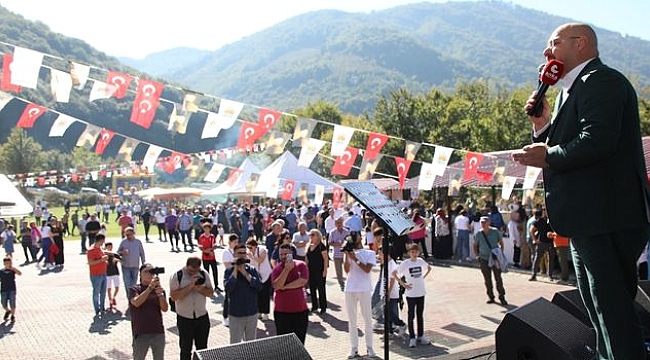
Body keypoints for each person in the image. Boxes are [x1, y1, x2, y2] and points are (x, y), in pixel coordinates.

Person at [514, 23, 650, 359]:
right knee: (597, 310)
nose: (547, 53)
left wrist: (547, 155)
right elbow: (565, 147)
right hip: (585, 219)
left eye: (554, 43)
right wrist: (542, 127)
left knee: (613, 313)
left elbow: (597, 141)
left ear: (581, 43)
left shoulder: (601, 81)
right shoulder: (566, 93)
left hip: (606, 216)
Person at [170, 256, 213, 360]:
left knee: (202, 349)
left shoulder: (203, 274)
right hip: (185, 318)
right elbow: (174, 297)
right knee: (185, 349)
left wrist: (199, 289)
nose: (193, 273)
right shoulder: (177, 275)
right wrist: (190, 286)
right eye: (190, 271)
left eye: (195, 270)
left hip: (202, 316)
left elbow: (211, 293)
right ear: (187, 265)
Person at [343, 233, 377, 358]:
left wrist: (355, 259)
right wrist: (347, 257)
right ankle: (353, 348)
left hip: (364, 289)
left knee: (367, 319)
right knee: (352, 320)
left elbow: (367, 269)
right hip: (350, 289)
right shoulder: (348, 253)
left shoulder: (369, 253)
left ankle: (369, 347)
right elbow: (346, 270)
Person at [271, 243, 310, 344]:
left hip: (300, 311)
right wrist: (286, 270)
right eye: (281, 254)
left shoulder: (301, 265)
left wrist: (286, 287)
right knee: (284, 344)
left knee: (299, 342)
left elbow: (303, 281)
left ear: (291, 254)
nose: (283, 257)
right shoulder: (277, 269)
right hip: (282, 312)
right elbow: (277, 286)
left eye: (286, 254)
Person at [224, 244, 262, 343]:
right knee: (235, 344)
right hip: (236, 314)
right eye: (239, 253)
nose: (242, 255)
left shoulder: (252, 270)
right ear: (234, 254)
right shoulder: (229, 271)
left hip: (251, 313)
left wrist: (245, 273)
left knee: (251, 344)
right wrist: (236, 270)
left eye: (244, 253)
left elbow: (259, 286)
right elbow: (228, 288)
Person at [129, 263, 168, 360]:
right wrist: (150, 288)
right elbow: (136, 302)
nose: (148, 274)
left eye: (151, 272)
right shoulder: (134, 289)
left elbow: (165, 308)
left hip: (158, 332)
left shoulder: (159, 289)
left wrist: (161, 296)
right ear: (140, 275)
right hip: (141, 332)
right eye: (145, 271)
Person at [396, 244, 432, 348]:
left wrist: (422, 278)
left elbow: (429, 268)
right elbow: (395, 273)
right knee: (411, 315)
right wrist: (403, 284)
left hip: (421, 292)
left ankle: (420, 335)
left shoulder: (420, 261)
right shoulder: (405, 263)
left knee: (420, 315)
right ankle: (412, 338)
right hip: (411, 294)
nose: (414, 254)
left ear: (419, 252)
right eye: (412, 252)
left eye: (416, 252)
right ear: (408, 253)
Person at [472, 216, 507, 306]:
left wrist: (500, 254)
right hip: (484, 258)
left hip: (494, 258)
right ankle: (491, 296)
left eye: (484, 222)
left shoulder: (495, 231)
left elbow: (501, 242)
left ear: (489, 223)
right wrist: (477, 255)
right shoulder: (479, 234)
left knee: (498, 278)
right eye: (481, 222)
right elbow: (475, 245)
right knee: (487, 279)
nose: (483, 224)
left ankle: (502, 297)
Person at [118, 227, 146, 303]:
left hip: (135, 266)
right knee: (127, 284)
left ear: (133, 234)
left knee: (133, 284)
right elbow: (117, 253)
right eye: (126, 234)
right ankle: (130, 299)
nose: (127, 236)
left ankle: (132, 298)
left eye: (129, 234)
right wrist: (121, 252)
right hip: (125, 266)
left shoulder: (138, 242)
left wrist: (144, 264)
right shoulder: (123, 242)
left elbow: (142, 253)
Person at [247, 238, 272, 321]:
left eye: (251, 247)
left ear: (255, 246)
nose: (249, 249)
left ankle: (266, 313)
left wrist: (252, 257)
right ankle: (259, 312)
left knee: (265, 294)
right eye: (248, 247)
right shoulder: (249, 253)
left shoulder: (262, 250)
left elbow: (260, 260)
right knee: (257, 294)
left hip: (266, 274)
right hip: (257, 276)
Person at [305, 229, 328, 314]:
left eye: (313, 234)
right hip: (311, 270)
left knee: (321, 289)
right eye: (310, 234)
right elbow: (307, 259)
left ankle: (323, 306)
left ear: (318, 236)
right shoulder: (308, 246)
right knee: (312, 289)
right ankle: (314, 306)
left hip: (319, 270)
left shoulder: (321, 246)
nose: (311, 236)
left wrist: (325, 271)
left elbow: (325, 259)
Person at [529, 209, 556, 281]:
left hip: (551, 243)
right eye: (544, 211)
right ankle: (533, 275)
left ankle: (550, 275)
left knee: (551, 259)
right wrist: (535, 239)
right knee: (537, 259)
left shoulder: (552, 220)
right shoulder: (539, 221)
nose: (545, 213)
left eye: (546, 211)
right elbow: (531, 229)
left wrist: (553, 234)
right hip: (541, 242)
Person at [87, 234, 108, 317]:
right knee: (96, 292)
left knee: (103, 292)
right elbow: (90, 262)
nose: (103, 242)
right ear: (100, 240)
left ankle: (102, 308)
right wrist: (101, 260)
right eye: (103, 241)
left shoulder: (100, 248)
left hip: (103, 273)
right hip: (96, 274)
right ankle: (97, 309)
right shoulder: (91, 250)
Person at [197, 222, 222, 293]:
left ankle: (216, 286)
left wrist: (210, 250)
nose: (206, 229)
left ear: (210, 229)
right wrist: (206, 251)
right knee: (206, 272)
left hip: (212, 257)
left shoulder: (212, 236)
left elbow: (215, 245)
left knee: (215, 271)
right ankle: (207, 286)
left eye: (208, 228)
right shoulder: (201, 237)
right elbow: (200, 246)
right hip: (205, 257)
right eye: (205, 228)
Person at [221, 234, 239, 327]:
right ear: (230, 242)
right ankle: (225, 317)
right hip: (229, 277)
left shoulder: (238, 251)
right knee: (228, 298)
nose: (236, 244)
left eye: (237, 242)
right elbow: (227, 265)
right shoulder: (226, 252)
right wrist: (236, 263)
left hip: (239, 276)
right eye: (234, 242)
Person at [328, 217, 349, 291]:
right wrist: (336, 244)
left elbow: (350, 241)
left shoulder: (346, 231)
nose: (339, 224)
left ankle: (349, 283)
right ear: (335, 224)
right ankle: (341, 284)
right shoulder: (332, 232)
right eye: (337, 223)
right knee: (338, 270)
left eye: (340, 223)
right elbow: (329, 243)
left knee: (349, 269)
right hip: (337, 253)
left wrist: (345, 243)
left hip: (346, 254)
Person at [0, 256, 21, 323]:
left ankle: (12, 315)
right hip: (3, 289)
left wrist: (13, 269)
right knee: (3, 303)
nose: (8, 264)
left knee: (12, 303)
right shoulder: (1, 271)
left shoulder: (13, 270)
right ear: (4, 263)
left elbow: (20, 273)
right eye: (6, 263)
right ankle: (7, 310)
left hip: (12, 289)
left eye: (9, 263)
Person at [104, 242, 122, 310]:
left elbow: (121, 260)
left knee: (117, 287)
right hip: (107, 273)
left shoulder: (115, 254)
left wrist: (117, 260)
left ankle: (114, 297)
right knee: (108, 288)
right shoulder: (104, 254)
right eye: (108, 247)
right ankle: (110, 300)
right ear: (106, 247)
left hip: (115, 273)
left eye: (111, 246)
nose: (110, 248)